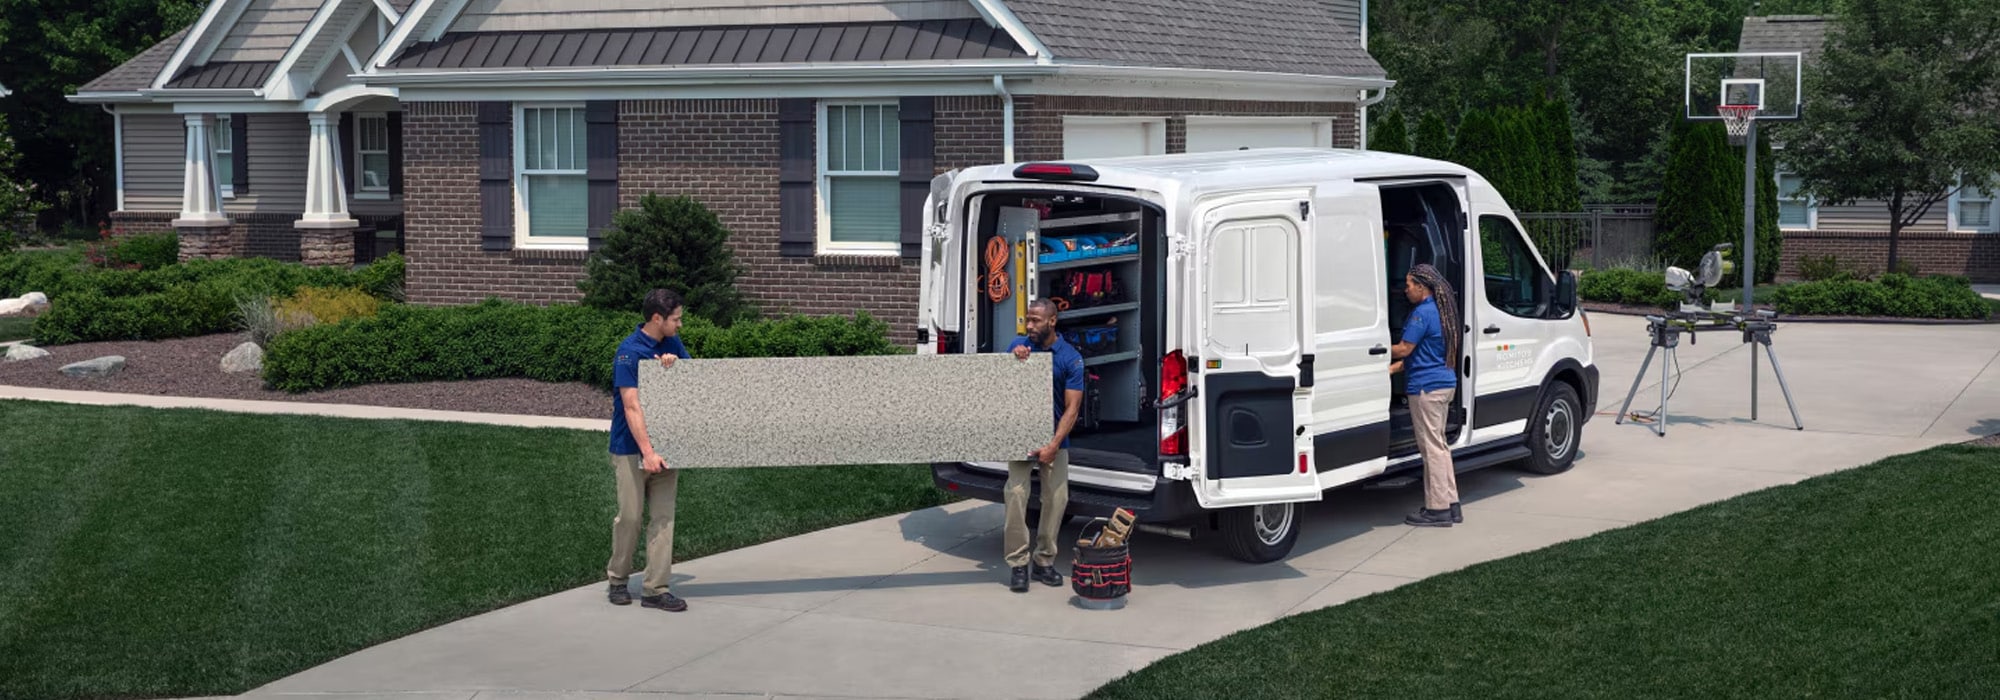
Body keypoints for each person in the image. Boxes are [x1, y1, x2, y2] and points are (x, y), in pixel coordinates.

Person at [606, 289, 693, 611]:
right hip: (631, 449)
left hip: (667, 447)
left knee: (663, 518)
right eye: (675, 319)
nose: (679, 325)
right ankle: (617, 579)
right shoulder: (629, 353)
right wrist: (648, 452)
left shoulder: (672, 345)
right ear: (657, 318)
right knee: (630, 517)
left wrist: (674, 368)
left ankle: (655, 589)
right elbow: (632, 407)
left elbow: (694, 384)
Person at [1004, 298, 1087, 592]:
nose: (1029, 326)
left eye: (1036, 320)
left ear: (1052, 321)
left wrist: (1053, 445)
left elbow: (1072, 409)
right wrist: (1014, 359)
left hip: (1054, 438)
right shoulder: (1018, 346)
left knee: (1056, 497)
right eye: (1028, 320)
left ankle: (1043, 561)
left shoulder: (1070, 358)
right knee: (1015, 493)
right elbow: (999, 383)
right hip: (1022, 435)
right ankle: (1017, 564)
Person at [1390, 263, 1464, 528]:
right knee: (1441, 446)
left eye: (1409, 285)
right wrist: (1391, 369)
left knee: (1431, 449)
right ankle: (1451, 504)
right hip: (1444, 384)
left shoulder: (1421, 314)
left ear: (1422, 287)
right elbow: (1422, 354)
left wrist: (1372, 349)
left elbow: (1404, 349)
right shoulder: (1441, 312)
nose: (1405, 289)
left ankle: (1437, 509)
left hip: (1426, 389)